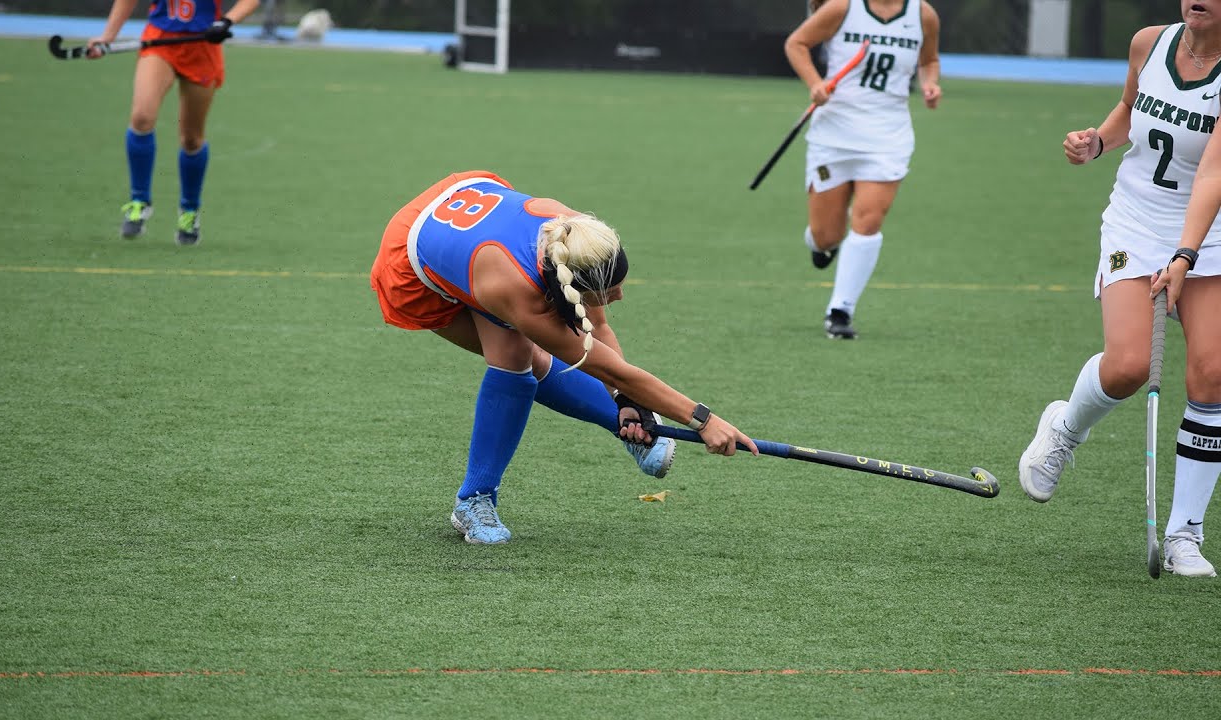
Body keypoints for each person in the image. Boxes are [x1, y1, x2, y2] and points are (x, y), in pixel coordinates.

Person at [370, 171, 758, 545]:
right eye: (610, 291)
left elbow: (598, 331)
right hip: (414, 261)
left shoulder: (576, 237)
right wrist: (705, 420)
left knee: (534, 358)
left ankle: (626, 423)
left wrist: (628, 403)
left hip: (468, 213)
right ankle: (474, 500)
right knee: (517, 359)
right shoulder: (515, 291)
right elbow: (610, 368)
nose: (620, 296)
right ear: (570, 285)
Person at [1022, 1, 1221, 578]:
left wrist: (1184, 255)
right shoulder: (1148, 43)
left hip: (1209, 234)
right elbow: (1131, 111)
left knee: (1212, 373)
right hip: (1136, 223)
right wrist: (1097, 143)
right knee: (1129, 366)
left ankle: (1185, 533)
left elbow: (1213, 174)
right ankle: (1066, 426)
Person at [783, 0, 941, 339]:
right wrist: (814, 83)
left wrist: (931, 83)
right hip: (834, 135)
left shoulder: (922, 14)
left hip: (888, 136)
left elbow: (929, 60)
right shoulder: (842, 7)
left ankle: (840, 311)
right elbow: (796, 43)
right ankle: (820, 244)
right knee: (827, 235)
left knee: (868, 220)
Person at [87, 0, 260, 246]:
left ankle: (189, 211)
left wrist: (226, 22)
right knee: (142, 117)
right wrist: (108, 36)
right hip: (160, 41)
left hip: (202, 45)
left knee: (191, 139)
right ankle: (139, 202)